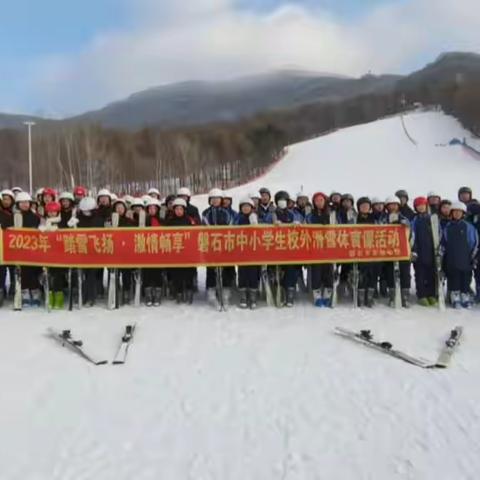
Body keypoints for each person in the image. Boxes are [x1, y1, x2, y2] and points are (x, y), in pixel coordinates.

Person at [263, 190, 299, 307]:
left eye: (284, 200)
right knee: (274, 269)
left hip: (288, 248)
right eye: (280, 200)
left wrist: (296, 225)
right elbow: (264, 227)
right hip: (274, 247)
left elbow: (299, 224)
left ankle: (289, 291)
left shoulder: (291, 214)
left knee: (290, 269)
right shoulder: (271, 214)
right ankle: (276, 289)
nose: (282, 203)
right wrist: (272, 224)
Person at [442, 202, 478, 308]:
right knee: (454, 277)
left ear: (463, 213)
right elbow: (444, 241)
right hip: (452, 258)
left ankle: (465, 293)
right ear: (451, 214)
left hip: (465, 257)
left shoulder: (468, 227)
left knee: (466, 276)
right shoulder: (447, 227)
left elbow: (474, 242)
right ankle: (455, 294)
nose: (457, 214)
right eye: (455, 212)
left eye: (459, 212)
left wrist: (472, 255)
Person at [202, 188, 235, 306]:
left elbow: (230, 225)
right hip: (211, 244)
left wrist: (223, 235)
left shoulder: (226, 212)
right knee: (211, 268)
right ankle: (211, 289)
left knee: (225, 267)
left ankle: (225, 291)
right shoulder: (206, 213)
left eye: (218, 199)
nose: (215, 201)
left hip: (224, 243)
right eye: (213, 199)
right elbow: (205, 226)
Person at [70, 197, 104, 306]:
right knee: (81, 274)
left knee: (92, 274)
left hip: (95, 252)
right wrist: (72, 224)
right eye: (84, 211)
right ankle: (82, 295)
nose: (86, 213)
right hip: (81, 251)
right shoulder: (77, 219)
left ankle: (91, 297)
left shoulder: (99, 219)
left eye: (88, 211)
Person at [165, 198, 197, 303]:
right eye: (176, 209)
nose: (178, 211)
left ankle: (189, 291)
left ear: (184, 210)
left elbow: (196, 234)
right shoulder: (169, 222)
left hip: (188, 252)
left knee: (189, 273)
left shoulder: (190, 220)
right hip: (175, 252)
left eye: (180, 209)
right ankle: (178, 292)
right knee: (176, 273)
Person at [381, 195, 411, 307]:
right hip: (389, 251)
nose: (393, 207)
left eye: (395, 205)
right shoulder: (383, 219)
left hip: (403, 250)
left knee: (405, 273)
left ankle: (404, 296)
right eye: (390, 205)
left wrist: (406, 226)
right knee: (390, 273)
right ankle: (392, 295)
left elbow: (411, 234)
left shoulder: (404, 218)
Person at [306, 192, 334, 307]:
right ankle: (317, 297)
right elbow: (305, 226)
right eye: (316, 200)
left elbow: (339, 227)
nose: (319, 202)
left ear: (325, 200)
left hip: (329, 246)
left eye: (321, 200)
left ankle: (328, 295)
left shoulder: (332, 213)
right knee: (316, 272)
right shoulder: (310, 215)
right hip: (315, 247)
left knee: (328, 272)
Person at [15, 192, 42, 307]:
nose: (25, 205)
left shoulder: (35, 216)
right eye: (22, 203)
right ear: (18, 204)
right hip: (19, 248)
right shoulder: (15, 216)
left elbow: (41, 229)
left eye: (27, 202)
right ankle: (25, 291)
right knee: (23, 270)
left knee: (34, 270)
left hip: (34, 248)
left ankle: (35, 290)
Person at [410, 197, 438, 306]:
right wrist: (413, 249)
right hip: (419, 250)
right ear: (416, 207)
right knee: (420, 274)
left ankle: (431, 294)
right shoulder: (415, 220)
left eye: (423, 205)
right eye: (418, 206)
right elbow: (411, 235)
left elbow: (437, 234)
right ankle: (422, 294)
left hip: (431, 250)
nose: (421, 207)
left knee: (431, 273)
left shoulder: (432, 219)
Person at [234, 198, 260, 309]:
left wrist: (254, 223)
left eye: (248, 206)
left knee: (253, 273)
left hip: (254, 251)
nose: (246, 208)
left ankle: (253, 296)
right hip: (242, 251)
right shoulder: (237, 218)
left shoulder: (255, 217)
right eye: (243, 206)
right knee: (242, 273)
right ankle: (243, 295)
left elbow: (261, 232)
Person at [40, 201, 66, 309]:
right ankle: (49, 296)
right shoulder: (43, 222)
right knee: (48, 275)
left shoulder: (62, 221)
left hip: (60, 253)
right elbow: (39, 232)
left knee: (58, 275)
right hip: (47, 252)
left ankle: (59, 297)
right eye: (49, 212)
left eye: (54, 212)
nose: (51, 214)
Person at [356, 197, 378, 307]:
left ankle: (370, 296)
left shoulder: (374, 218)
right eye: (362, 205)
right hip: (359, 250)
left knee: (372, 273)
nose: (364, 207)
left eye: (366, 205)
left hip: (372, 250)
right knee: (361, 274)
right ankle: (360, 296)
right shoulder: (355, 218)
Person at [144, 197, 164, 306]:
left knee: (157, 273)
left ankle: (157, 294)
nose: (152, 210)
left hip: (158, 250)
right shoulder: (144, 220)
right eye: (150, 208)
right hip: (146, 250)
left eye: (154, 208)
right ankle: (148, 294)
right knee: (147, 273)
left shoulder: (161, 220)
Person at [0, 189, 15, 305]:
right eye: (4, 199)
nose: (6, 201)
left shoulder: (15, 212)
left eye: (8, 199)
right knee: (2, 269)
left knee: (13, 268)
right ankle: (1, 289)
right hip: (1, 245)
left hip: (13, 245)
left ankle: (14, 289)